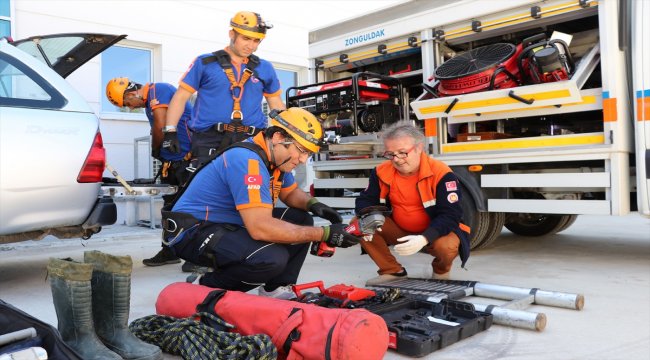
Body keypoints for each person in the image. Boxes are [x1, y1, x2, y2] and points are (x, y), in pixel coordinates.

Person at [163, 108, 361, 299]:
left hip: (229, 222)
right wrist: (324, 234)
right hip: (193, 232)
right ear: (278, 137)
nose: (302, 160)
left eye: (308, 154)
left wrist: (316, 205)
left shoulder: (274, 158)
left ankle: (275, 290)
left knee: (301, 219)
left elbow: (290, 193)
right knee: (270, 259)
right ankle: (205, 288)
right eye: (301, 150)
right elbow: (260, 228)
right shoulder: (247, 161)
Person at [161, 10, 286, 169]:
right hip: (209, 140)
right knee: (208, 191)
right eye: (246, 38)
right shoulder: (205, 62)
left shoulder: (265, 68)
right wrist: (170, 131)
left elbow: (276, 104)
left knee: (249, 190)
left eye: (257, 41)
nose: (251, 45)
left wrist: (285, 135)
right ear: (231, 34)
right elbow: (180, 97)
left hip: (252, 140)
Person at [355, 120, 471, 286]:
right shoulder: (381, 172)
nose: (397, 160)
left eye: (402, 153)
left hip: (433, 234)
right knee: (360, 224)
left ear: (419, 148)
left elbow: (451, 215)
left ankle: (441, 271)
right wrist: (371, 217)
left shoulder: (442, 174)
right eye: (390, 154)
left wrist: (424, 238)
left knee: (447, 245)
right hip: (399, 230)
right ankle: (392, 271)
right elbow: (364, 200)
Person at [105, 78, 194, 268]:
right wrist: (160, 154)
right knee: (170, 209)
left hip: (188, 159)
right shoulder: (148, 104)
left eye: (128, 104)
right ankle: (169, 250)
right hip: (172, 161)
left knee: (190, 207)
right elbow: (157, 128)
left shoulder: (157, 90)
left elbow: (161, 124)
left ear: (131, 94)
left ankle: (198, 256)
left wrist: (155, 149)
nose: (130, 108)